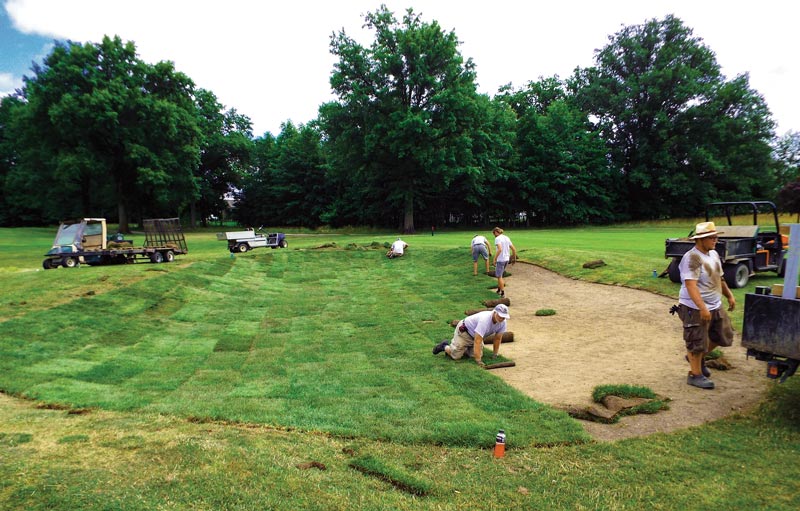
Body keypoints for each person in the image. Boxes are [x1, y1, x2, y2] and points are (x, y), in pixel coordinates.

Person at [677, 221, 736, 389]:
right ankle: (695, 375)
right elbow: (690, 285)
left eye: (716, 237)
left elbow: (720, 277)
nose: (715, 240)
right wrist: (702, 307)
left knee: (724, 335)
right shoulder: (692, 257)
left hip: (715, 304)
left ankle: (697, 358)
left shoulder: (714, 254)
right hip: (693, 307)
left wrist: (729, 296)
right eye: (712, 237)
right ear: (700, 239)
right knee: (696, 341)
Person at [432, 304, 510, 367]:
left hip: (475, 337)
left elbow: (497, 339)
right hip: (465, 333)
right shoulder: (485, 320)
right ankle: (444, 346)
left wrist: (495, 354)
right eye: (500, 316)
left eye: (504, 317)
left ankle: (465, 348)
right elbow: (478, 341)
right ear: (494, 312)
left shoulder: (503, 323)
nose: (501, 318)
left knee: (474, 355)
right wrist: (479, 361)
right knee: (456, 356)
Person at [492, 227, 516, 297]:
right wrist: (514, 259)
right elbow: (514, 249)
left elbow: (499, 249)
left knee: (499, 276)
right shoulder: (506, 237)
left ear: (496, 232)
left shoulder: (497, 239)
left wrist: (494, 259)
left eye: (494, 234)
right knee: (501, 274)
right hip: (507, 259)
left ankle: (502, 293)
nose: (494, 235)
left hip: (500, 260)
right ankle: (499, 289)